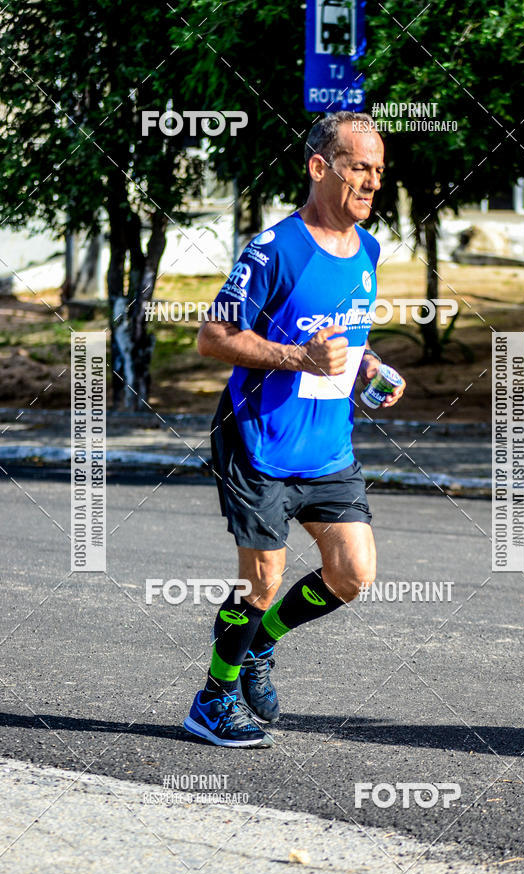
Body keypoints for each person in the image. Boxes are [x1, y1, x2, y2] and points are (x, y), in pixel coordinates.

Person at [183, 110, 405, 747]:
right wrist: (298, 358)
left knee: (352, 574)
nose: (371, 182)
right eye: (360, 167)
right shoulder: (273, 249)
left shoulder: (367, 249)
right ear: (319, 167)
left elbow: (342, 336)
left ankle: (260, 647)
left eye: (379, 171)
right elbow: (212, 336)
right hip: (259, 441)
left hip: (328, 447)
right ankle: (212, 697)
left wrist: (368, 366)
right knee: (261, 583)